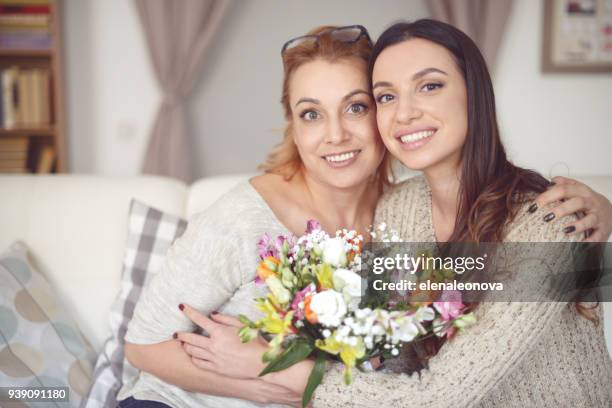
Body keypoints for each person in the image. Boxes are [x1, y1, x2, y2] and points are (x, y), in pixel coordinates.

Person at [118, 24, 612, 407]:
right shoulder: (392, 211)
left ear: (475, 93)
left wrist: (278, 373)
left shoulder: (542, 220)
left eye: (356, 107)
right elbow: (141, 345)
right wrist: (269, 385)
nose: (405, 113)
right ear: (293, 125)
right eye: (387, 97)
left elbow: (428, 385)